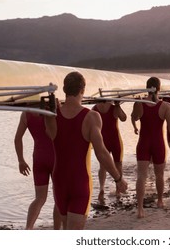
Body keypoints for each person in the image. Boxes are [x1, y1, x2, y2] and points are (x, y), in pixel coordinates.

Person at [44, 71, 128, 230]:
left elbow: (50, 134)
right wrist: (118, 179)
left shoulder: (52, 115)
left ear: (64, 89)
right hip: (79, 182)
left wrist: (51, 111)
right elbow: (101, 152)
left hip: (59, 181)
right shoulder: (91, 117)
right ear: (83, 90)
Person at [131, 77, 170, 218]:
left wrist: (136, 104)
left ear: (147, 88)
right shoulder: (166, 106)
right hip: (158, 143)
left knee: (141, 176)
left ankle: (140, 209)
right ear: (159, 89)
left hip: (143, 143)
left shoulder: (140, 103)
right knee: (159, 174)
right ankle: (160, 201)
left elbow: (134, 118)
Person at [14, 112, 61, 230]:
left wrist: (21, 160)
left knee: (39, 198)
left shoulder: (26, 114)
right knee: (59, 197)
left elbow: (17, 138)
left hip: (39, 157)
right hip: (56, 157)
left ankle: (28, 229)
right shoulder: (54, 110)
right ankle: (57, 231)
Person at [92, 101, 126, 204]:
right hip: (114, 140)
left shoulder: (95, 108)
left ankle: (102, 189)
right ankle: (118, 190)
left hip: (102, 140)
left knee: (103, 166)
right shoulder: (113, 107)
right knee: (118, 164)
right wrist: (118, 105)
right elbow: (124, 118)